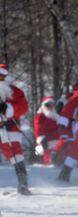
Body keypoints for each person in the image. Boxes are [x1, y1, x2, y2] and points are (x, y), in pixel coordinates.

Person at [0, 64, 31, 194]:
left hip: (9, 127)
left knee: (15, 153)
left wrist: (8, 108)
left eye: (1, 77)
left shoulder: (15, 92)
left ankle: (22, 182)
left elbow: (23, 107)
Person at [33, 96, 60, 165]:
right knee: (48, 154)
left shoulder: (56, 116)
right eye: (48, 105)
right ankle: (49, 165)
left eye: (52, 105)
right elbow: (38, 128)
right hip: (47, 140)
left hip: (58, 139)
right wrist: (41, 138)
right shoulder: (40, 116)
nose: (50, 107)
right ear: (44, 105)